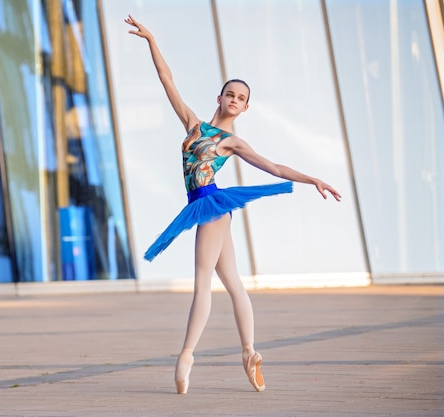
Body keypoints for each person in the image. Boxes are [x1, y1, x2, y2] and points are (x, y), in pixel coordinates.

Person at [125, 15, 342, 394]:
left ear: (244, 108)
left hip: (212, 205)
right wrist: (151, 40)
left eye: (242, 99)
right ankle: (249, 353)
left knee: (202, 283)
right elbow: (167, 80)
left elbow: (274, 166)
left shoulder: (231, 142)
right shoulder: (193, 124)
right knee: (234, 284)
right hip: (205, 204)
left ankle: (187, 356)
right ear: (220, 97)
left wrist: (313, 180)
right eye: (231, 94)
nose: (235, 101)